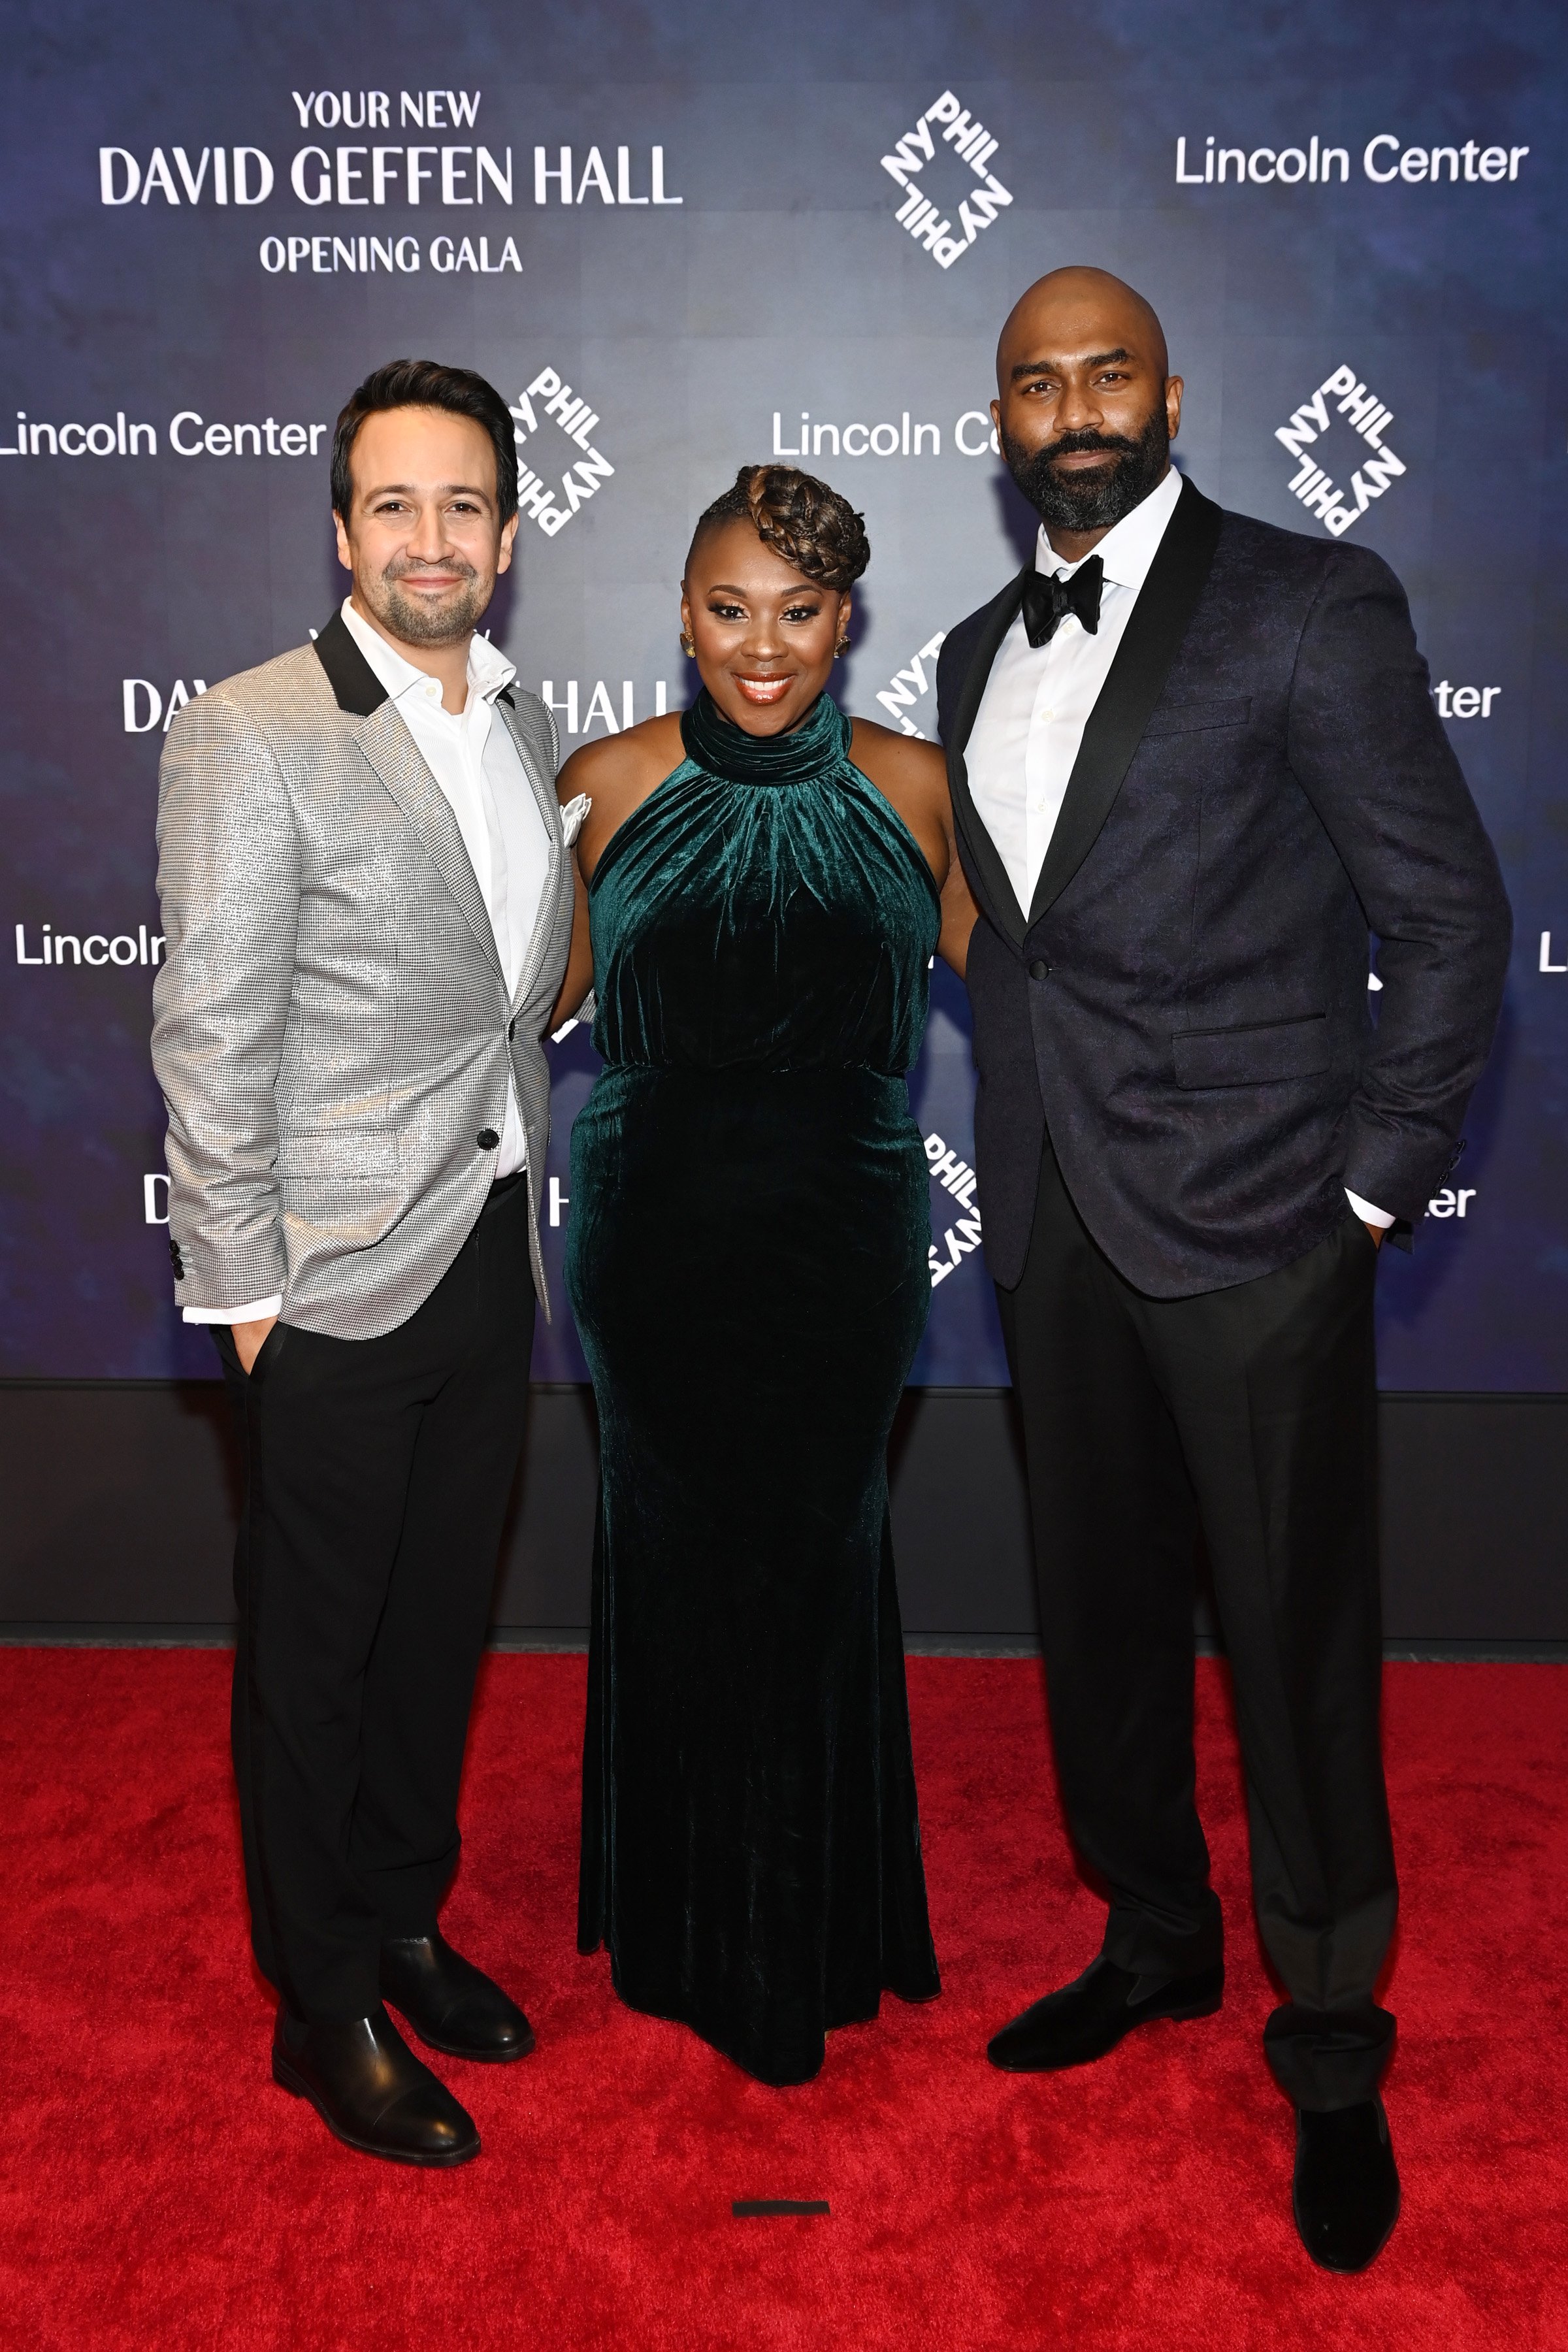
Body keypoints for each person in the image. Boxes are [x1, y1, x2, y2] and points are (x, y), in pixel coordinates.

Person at [936, 269, 1511, 2269]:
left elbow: (1447, 918)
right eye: (1036, 382)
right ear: (997, 420)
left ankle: (1334, 2034)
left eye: (1107, 372)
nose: (1074, 407)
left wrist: (1368, 1192)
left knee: (1293, 1642)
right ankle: (1155, 1933)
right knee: (1100, 1620)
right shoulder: (965, 648)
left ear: (1170, 394)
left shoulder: (1305, 605)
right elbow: (1020, 938)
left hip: (1265, 1216)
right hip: (1053, 1217)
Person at [151, 360, 577, 2166]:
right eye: (394, 504)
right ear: (342, 532)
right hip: (323, 1285)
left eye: (464, 504)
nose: (431, 537)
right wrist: (247, 1298)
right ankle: (318, 2004)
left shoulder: (522, 720)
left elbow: (506, 1004)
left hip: (487, 1250)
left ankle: (404, 1918)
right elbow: (208, 1029)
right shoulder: (252, 728)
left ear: (505, 534)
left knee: (429, 1633)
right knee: (313, 1657)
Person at [551, 464, 975, 2085]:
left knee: (812, 1563)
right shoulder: (609, 779)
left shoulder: (921, 789)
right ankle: (677, 1930)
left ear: (846, 621)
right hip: (653, 1246)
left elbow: (1040, 992)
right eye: (728, 610)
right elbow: (529, 997)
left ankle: (811, 1935)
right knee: (668, 1558)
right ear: (678, 612)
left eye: (796, 614)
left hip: (845, 1247)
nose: (762, 647)